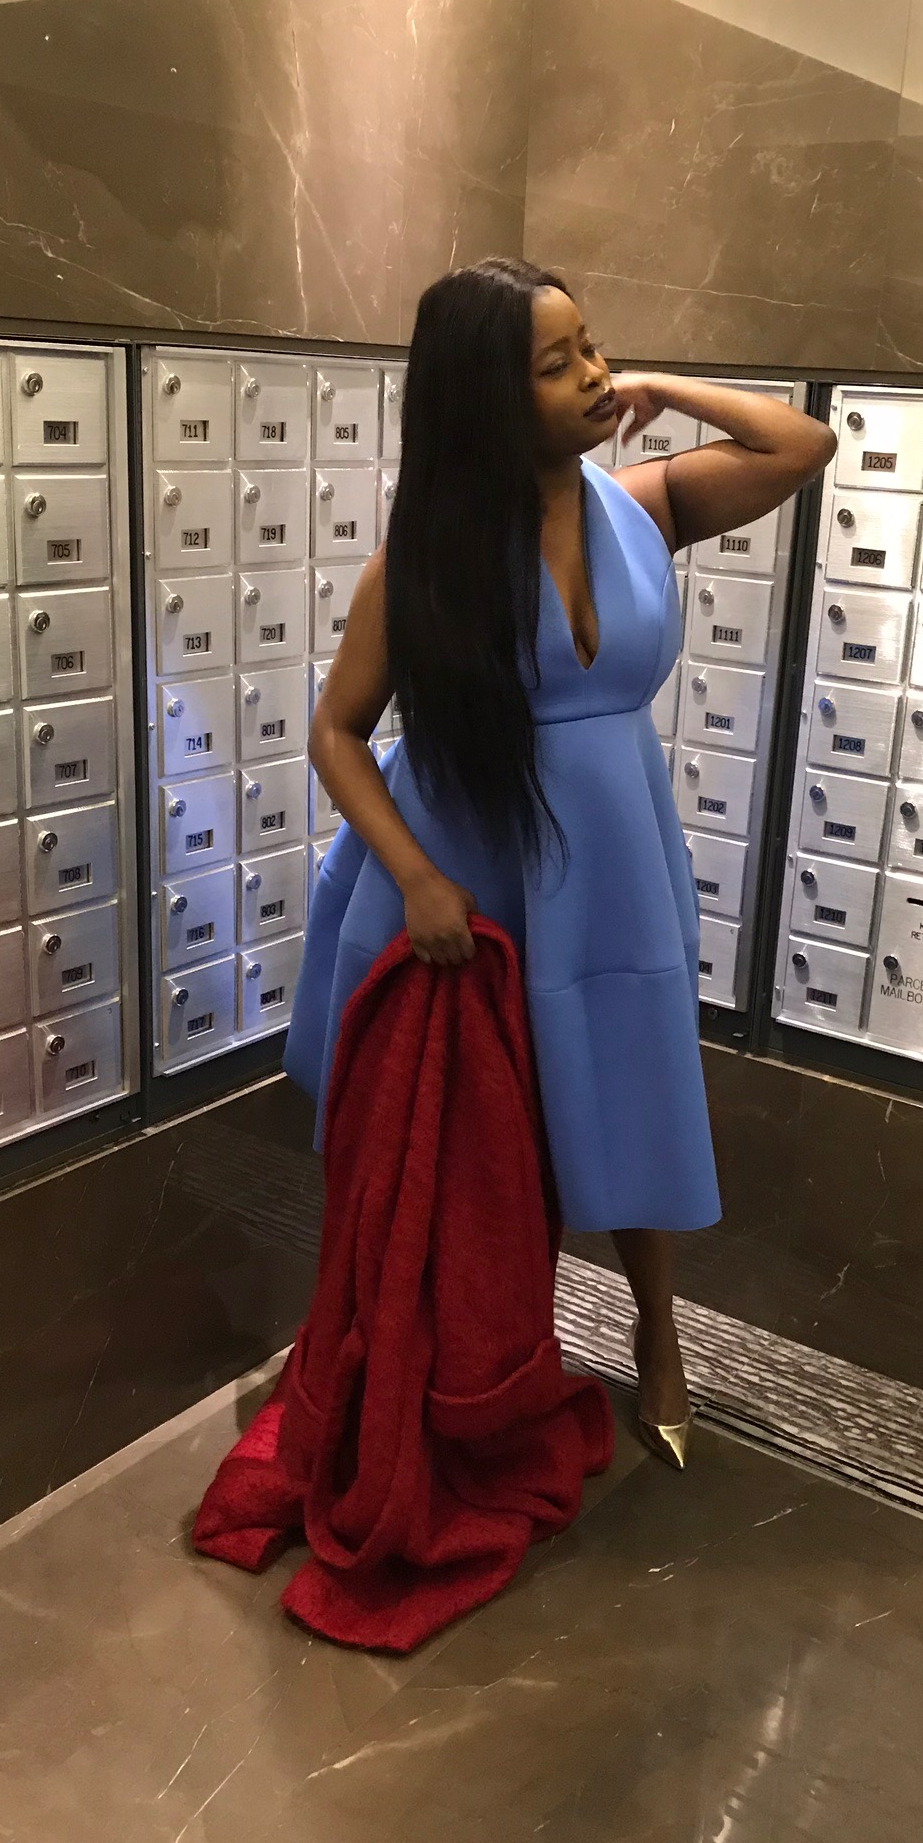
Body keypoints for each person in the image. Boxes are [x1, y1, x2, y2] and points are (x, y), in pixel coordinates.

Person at [285, 257, 834, 1467]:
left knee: (635, 1089)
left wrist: (662, 387)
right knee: (466, 1140)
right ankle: (438, 1360)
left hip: (614, 868)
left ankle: (657, 1329)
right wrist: (416, 879)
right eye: (558, 362)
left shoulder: (640, 508)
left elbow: (801, 445)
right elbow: (335, 731)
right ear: (488, 397)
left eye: (593, 346)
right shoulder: (422, 563)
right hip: (465, 874)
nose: (594, 374)